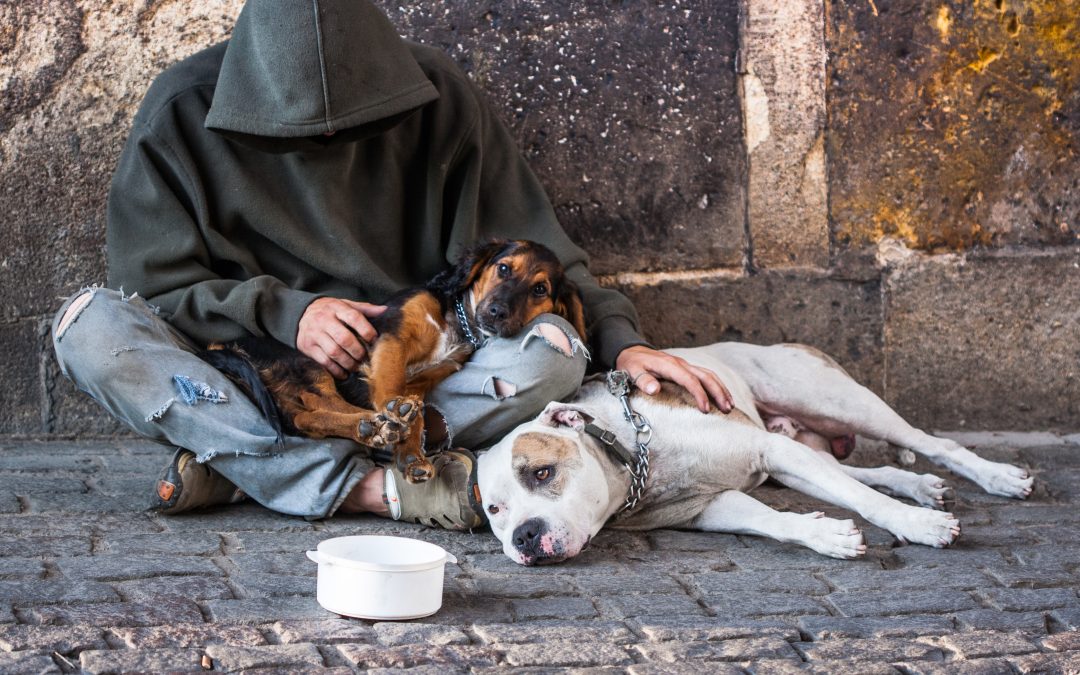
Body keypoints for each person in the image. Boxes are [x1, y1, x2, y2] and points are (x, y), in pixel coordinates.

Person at [52, 0, 731, 530]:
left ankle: (240, 466)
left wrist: (625, 342)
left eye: (349, 125)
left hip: (416, 378)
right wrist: (287, 312)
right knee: (86, 328)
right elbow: (154, 291)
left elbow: (537, 254)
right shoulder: (180, 111)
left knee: (551, 358)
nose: (326, 139)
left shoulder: (437, 95)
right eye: (298, 132)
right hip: (255, 373)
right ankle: (384, 489)